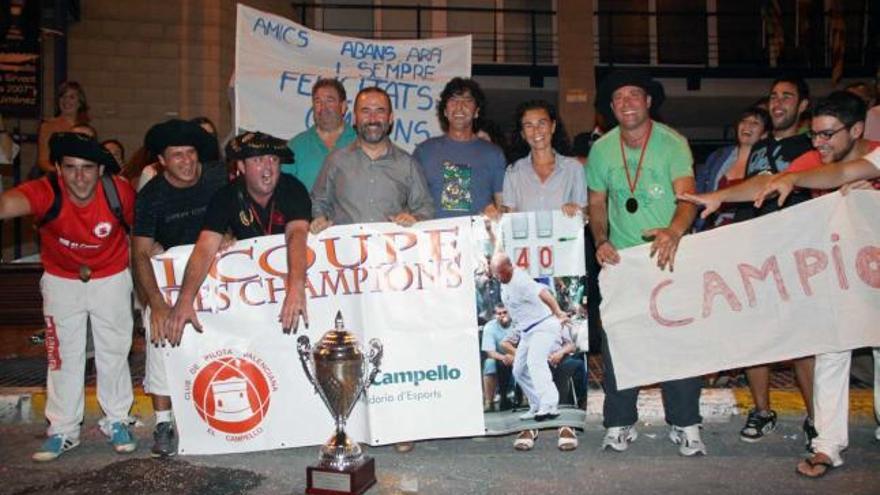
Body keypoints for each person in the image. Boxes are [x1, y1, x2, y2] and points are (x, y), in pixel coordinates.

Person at [679, 77, 817, 448]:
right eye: (773, 96)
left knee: (802, 339)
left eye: (787, 96)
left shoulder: (812, 145)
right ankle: (762, 410)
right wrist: (716, 198)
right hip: (753, 248)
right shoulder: (761, 148)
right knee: (755, 334)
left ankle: (818, 418)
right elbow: (756, 185)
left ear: (803, 105)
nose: (778, 102)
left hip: (795, 251)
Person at [752, 98, 880, 479]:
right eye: (814, 134)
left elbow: (845, 173)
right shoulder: (816, 161)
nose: (818, 143)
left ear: (855, 130)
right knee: (830, 352)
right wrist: (717, 197)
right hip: (840, 278)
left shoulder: (871, 158)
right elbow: (784, 181)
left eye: (827, 134)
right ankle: (827, 446)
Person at [587, 70, 705, 456]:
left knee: (679, 339)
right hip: (623, 260)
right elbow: (597, 202)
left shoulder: (672, 144)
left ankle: (684, 422)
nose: (627, 103)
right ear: (611, 107)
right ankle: (620, 422)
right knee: (620, 340)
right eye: (618, 98)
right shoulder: (602, 149)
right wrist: (601, 239)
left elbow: (687, 198)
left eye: (634, 95)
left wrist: (673, 231)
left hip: (668, 254)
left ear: (648, 101)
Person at [0, 132, 137, 461]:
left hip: (110, 276)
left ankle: (117, 419)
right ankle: (62, 430)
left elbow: (139, 234)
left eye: (88, 168)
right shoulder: (45, 191)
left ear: (101, 171)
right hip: (62, 280)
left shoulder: (119, 192)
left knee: (114, 351)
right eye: (71, 168)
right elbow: (5, 206)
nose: (79, 177)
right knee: (62, 355)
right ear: (59, 170)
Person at [132, 118, 227, 457]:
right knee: (160, 340)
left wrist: (231, 235)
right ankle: (162, 422)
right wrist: (155, 303)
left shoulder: (218, 177)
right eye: (177, 156)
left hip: (215, 273)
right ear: (161, 161)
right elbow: (140, 253)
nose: (187, 162)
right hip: (168, 279)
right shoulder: (151, 196)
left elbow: (242, 210)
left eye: (191, 153)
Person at [165, 131, 311, 343]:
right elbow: (205, 247)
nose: (268, 167)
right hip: (251, 292)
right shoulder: (225, 196)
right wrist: (185, 299)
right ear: (241, 167)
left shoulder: (293, 189)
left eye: (274, 159)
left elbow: (297, 235)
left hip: (289, 277)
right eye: (258, 160)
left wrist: (297, 287)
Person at [310, 87, 434, 234]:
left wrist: (415, 218)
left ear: (390, 118)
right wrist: (319, 219)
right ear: (355, 118)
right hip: (345, 253)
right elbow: (319, 201)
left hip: (391, 254)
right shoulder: (336, 160)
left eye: (380, 111)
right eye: (365, 111)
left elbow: (425, 208)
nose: (373, 118)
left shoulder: (408, 164)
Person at [490, 252, 578, 452]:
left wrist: (558, 313)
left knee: (535, 363)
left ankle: (550, 405)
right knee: (518, 370)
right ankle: (536, 404)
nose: (497, 277)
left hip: (544, 325)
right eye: (495, 274)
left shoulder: (521, 280)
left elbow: (544, 294)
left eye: (499, 273)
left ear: (509, 268)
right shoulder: (504, 280)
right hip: (526, 330)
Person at [413, 77, 506, 219]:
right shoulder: (424, 152)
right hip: (435, 238)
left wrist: (498, 212)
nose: (459, 106)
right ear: (444, 111)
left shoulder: (493, 154)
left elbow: (503, 205)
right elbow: (411, 201)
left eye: (467, 101)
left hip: (479, 238)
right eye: (453, 100)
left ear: (476, 112)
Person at [502, 100, 587, 217]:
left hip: (565, 235)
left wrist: (576, 210)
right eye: (529, 126)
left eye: (542, 123)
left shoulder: (573, 168)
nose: (536, 130)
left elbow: (583, 214)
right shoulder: (513, 171)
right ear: (522, 134)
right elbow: (510, 217)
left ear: (553, 127)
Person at [694, 106, 771, 231]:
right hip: (713, 230)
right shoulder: (718, 156)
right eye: (744, 121)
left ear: (765, 134)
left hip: (748, 231)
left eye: (755, 123)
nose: (747, 126)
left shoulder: (767, 162)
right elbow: (699, 193)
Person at [284, 78, 356, 191]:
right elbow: (282, 193)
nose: (323, 108)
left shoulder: (361, 143)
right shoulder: (295, 146)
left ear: (343, 106)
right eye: (318, 101)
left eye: (330, 100)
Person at [36, 81, 90, 174]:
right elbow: (42, 161)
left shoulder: (86, 128)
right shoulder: (48, 126)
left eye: (71, 97)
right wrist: (61, 172)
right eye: (63, 96)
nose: (66, 100)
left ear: (80, 102)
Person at [481, 304, 515, 412]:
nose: (502, 315)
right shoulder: (489, 327)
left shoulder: (518, 323)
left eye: (505, 312)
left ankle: (525, 398)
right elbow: (490, 352)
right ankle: (489, 402)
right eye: (499, 313)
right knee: (489, 363)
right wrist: (505, 357)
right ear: (495, 315)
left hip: (518, 355)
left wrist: (515, 357)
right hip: (499, 357)